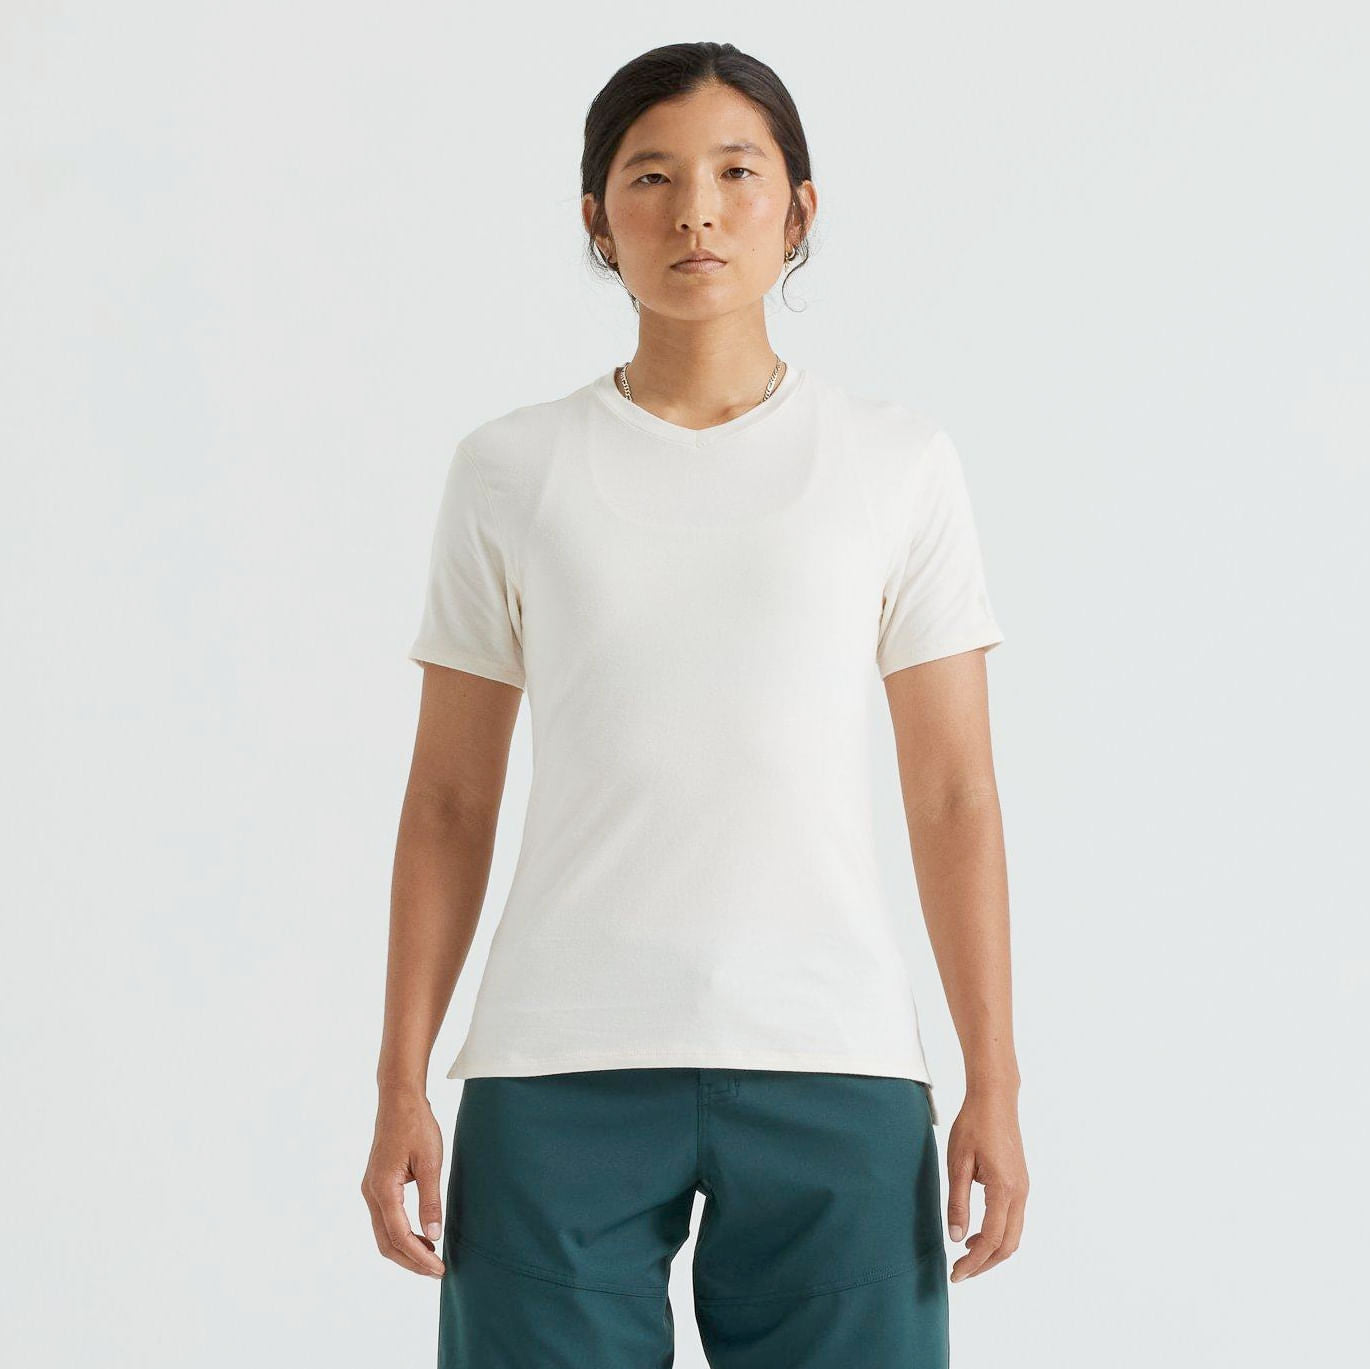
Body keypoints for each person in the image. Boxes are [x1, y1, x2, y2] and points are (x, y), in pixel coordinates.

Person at [361, 40, 1028, 1368]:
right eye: (651, 177)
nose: (697, 213)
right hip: (557, 1064)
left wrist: (992, 1083)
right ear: (596, 217)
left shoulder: (894, 463)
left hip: (833, 1056)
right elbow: (447, 800)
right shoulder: (510, 470)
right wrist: (399, 1083)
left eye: (737, 172)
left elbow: (954, 789)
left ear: (800, 207)